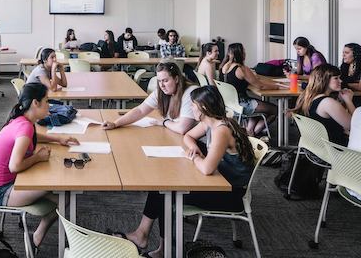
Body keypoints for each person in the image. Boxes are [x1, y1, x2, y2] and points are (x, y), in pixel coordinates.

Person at [114, 86, 256, 257]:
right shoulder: (210, 122)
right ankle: (142, 235)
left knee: (165, 193)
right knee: (162, 187)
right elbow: (187, 136)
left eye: (193, 105)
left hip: (231, 194)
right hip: (219, 182)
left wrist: (195, 158)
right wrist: (195, 148)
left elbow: (206, 168)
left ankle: (161, 249)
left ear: (203, 108)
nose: (191, 108)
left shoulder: (221, 130)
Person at [0, 83, 79, 249]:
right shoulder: (25, 127)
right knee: (61, 184)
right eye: (46, 100)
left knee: (64, 197)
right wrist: (38, 157)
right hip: (4, 192)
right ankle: (42, 237)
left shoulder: (22, 120)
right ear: (35, 103)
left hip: (7, 183)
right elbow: (14, 166)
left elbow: (33, 136)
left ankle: (37, 235)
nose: (49, 105)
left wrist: (58, 139)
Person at [102, 62, 197, 134]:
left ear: (176, 79)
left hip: (194, 141)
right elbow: (140, 110)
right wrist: (115, 124)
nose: (162, 85)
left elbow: (182, 129)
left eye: (165, 81)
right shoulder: (162, 91)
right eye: (159, 81)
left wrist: (165, 122)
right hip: (174, 134)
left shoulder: (190, 93)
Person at [220, 43, 280, 136]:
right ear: (240, 53)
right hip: (243, 104)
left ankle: (249, 130)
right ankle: (252, 134)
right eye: (244, 51)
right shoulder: (241, 69)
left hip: (230, 104)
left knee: (259, 108)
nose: (245, 52)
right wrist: (277, 86)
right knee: (276, 110)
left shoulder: (224, 67)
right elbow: (260, 86)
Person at [292, 64, 354, 146]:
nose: (341, 81)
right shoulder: (328, 102)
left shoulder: (306, 97)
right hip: (337, 151)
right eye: (336, 78)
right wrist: (348, 101)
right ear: (325, 80)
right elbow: (354, 126)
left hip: (316, 148)